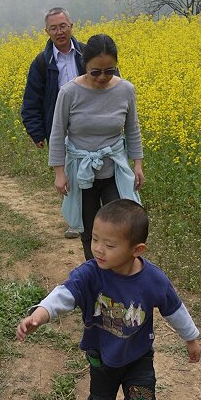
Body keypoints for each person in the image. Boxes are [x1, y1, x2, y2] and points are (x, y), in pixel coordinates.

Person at [17, 199, 201, 400]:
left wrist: (191, 338)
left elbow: (174, 309)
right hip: (100, 355)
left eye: (110, 245)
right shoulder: (91, 273)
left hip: (138, 357)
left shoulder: (154, 280)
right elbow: (65, 293)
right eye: (94, 239)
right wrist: (41, 313)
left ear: (136, 249)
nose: (98, 249)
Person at [48, 33, 144, 260]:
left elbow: (132, 129)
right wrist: (59, 173)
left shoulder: (126, 90)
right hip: (81, 172)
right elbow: (58, 132)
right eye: (96, 71)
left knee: (122, 228)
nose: (103, 77)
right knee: (89, 231)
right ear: (85, 65)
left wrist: (138, 164)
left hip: (114, 169)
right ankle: (95, 278)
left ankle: (122, 275)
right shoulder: (69, 92)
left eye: (109, 71)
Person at [21, 7, 86, 239]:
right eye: (54, 28)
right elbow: (31, 100)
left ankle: (93, 215)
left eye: (63, 26)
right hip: (59, 127)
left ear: (71, 26)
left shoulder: (87, 54)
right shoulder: (41, 62)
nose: (59, 32)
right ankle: (74, 221)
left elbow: (110, 80)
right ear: (46, 31)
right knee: (68, 173)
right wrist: (37, 132)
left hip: (90, 124)